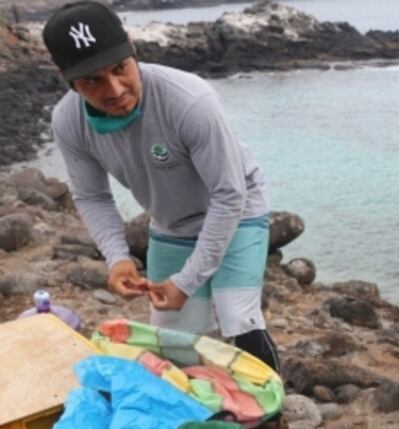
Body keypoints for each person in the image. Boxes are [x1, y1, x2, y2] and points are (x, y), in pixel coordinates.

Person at [43, 1, 279, 370]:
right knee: (174, 337)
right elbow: (92, 195)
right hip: (171, 223)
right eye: (92, 80)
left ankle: (271, 416)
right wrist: (118, 258)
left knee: (237, 316)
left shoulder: (188, 100)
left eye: (120, 68)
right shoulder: (68, 120)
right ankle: (197, 413)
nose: (115, 89)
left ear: (132, 47)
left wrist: (187, 280)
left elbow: (229, 193)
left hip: (238, 206)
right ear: (67, 78)